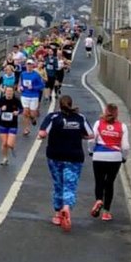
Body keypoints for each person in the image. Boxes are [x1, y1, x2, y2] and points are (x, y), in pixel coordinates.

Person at [37, 95, 94, 233]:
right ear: (71, 103)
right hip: (74, 156)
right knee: (70, 185)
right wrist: (78, 135)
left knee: (58, 184)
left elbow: (42, 133)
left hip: (55, 155)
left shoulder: (53, 117)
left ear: (59, 105)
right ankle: (67, 207)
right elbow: (91, 135)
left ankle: (57, 214)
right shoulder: (80, 118)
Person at [89, 103, 129, 221]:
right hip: (115, 157)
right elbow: (126, 146)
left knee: (99, 180)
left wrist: (91, 151)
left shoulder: (98, 123)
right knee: (109, 183)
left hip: (99, 155)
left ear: (105, 111)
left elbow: (91, 140)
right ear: (117, 113)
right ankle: (106, 212)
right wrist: (124, 157)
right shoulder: (122, 127)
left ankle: (99, 200)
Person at [0, 86, 23, 165]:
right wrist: (0, 109)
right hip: (2, 124)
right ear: (5, 92)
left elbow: (21, 109)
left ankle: (12, 146)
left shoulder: (16, 100)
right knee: (4, 143)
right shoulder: (1, 100)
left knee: (9, 144)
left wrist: (18, 112)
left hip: (13, 124)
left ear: (13, 92)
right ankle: (5, 158)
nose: (9, 93)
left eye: (10, 91)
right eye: (7, 91)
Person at [18, 59, 45, 136]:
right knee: (25, 112)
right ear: (26, 65)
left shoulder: (36, 75)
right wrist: (21, 87)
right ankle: (26, 129)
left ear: (33, 66)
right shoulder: (23, 74)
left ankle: (33, 118)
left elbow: (42, 86)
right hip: (25, 95)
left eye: (30, 65)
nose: (29, 66)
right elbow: (21, 83)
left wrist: (33, 87)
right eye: (27, 65)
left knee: (32, 113)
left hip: (34, 96)